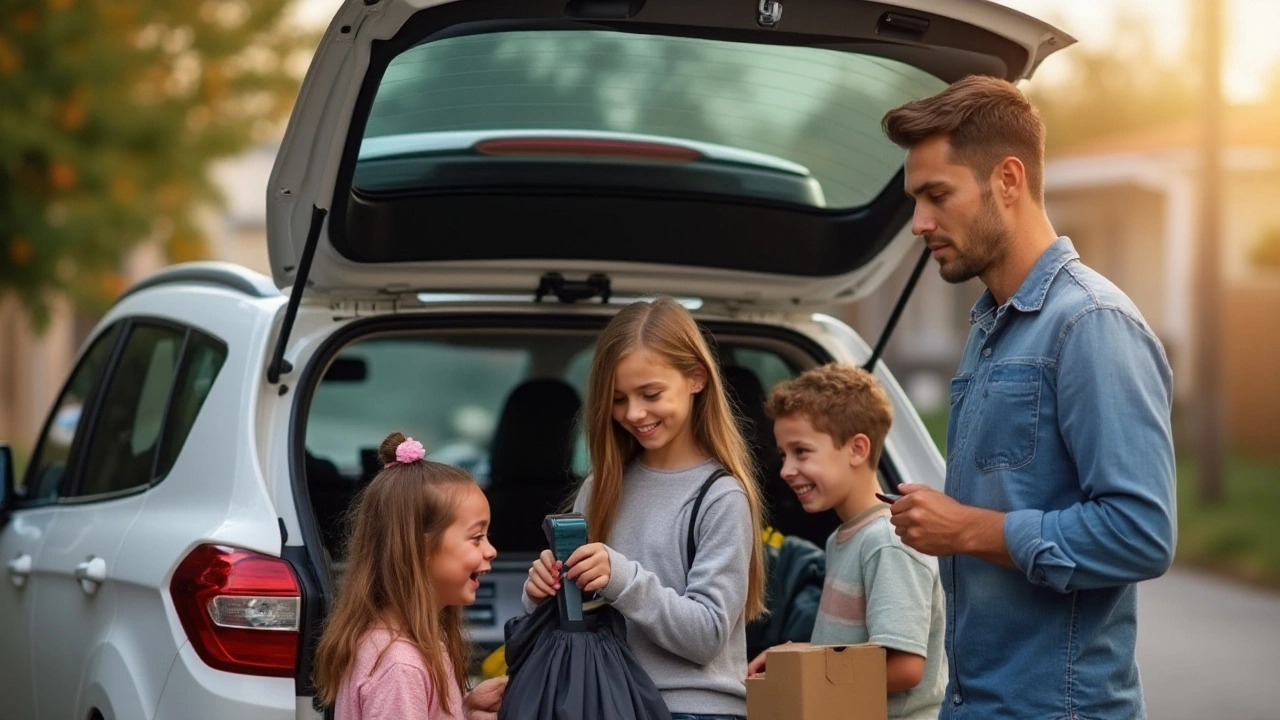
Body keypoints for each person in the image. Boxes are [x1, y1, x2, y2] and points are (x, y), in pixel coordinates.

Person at [880, 75, 1177, 720]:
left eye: (937, 195)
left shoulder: (1092, 324)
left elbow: (1142, 534)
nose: (918, 223)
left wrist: (968, 529)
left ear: (1008, 181)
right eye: (915, 199)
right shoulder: (990, 327)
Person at [523, 296, 767, 720]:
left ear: (696, 379)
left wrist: (620, 578)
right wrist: (542, 593)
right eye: (618, 399)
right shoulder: (601, 487)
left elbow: (707, 635)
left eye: (650, 394)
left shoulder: (720, 496)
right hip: (605, 698)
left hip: (693, 708)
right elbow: (576, 618)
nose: (634, 413)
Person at [747, 363, 945, 720]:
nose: (786, 469)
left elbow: (905, 667)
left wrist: (803, 674)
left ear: (857, 449)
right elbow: (861, 651)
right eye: (782, 454)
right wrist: (799, 654)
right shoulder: (843, 538)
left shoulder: (887, 541)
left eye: (801, 451)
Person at [313, 432, 508, 720]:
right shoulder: (401, 667)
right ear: (420, 549)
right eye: (477, 537)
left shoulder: (399, 649)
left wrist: (463, 710)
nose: (491, 551)